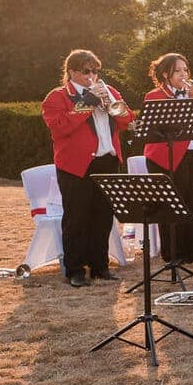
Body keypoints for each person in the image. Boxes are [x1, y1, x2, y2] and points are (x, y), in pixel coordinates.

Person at [41, 50, 135, 287]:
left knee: (103, 217)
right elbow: (60, 127)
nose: (92, 75)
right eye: (86, 71)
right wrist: (87, 103)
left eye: (95, 70)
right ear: (72, 72)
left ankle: (99, 266)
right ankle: (74, 269)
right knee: (77, 218)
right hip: (76, 165)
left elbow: (127, 120)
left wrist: (110, 102)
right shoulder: (58, 96)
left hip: (107, 160)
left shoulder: (108, 91)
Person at [140, 52, 193, 262]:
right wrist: (191, 101)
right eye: (178, 71)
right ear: (165, 74)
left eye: (185, 70)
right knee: (173, 204)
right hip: (166, 156)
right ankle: (175, 252)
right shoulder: (155, 96)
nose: (184, 74)